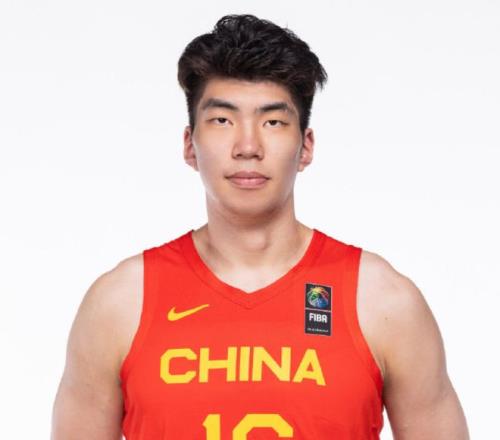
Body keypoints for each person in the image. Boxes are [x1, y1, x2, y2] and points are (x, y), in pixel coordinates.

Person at [51, 14, 470, 440]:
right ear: (190, 145)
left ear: (305, 147)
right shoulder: (120, 303)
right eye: (222, 120)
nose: (248, 147)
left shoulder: (382, 301)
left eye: (273, 122)